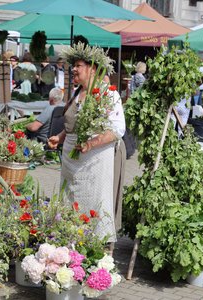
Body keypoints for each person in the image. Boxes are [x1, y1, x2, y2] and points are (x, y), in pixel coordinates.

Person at [48, 43, 125, 243]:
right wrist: (61, 136)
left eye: (78, 65)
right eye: (73, 65)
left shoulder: (108, 94)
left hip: (94, 159)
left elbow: (117, 130)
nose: (73, 69)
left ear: (92, 69)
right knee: (69, 198)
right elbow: (75, 123)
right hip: (71, 157)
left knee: (93, 198)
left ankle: (95, 245)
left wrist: (91, 144)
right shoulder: (77, 93)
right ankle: (70, 239)